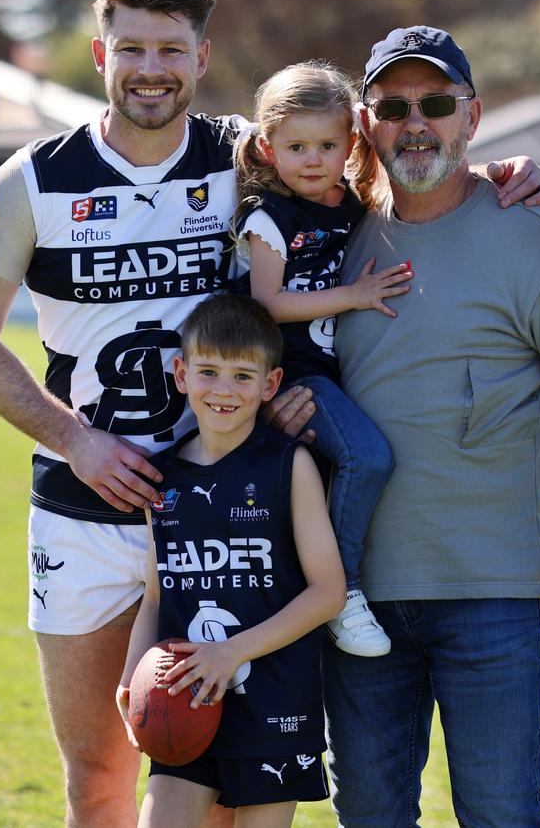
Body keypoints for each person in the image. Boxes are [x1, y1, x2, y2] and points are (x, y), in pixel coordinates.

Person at [0, 0, 540, 818]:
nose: (150, 66)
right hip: (88, 509)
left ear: (202, 56)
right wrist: (75, 440)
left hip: (233, 506)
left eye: (170, 47)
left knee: (231, 780)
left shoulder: (250, 155)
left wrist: (497, 172)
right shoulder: (32, 179)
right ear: (99, 53)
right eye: (131, 47)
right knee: (100, 772)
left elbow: (371, 170)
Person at [311, 25, 540, 828]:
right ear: (365, 122)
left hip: (490, 598)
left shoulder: (533, 234)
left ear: (472, 115)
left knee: (502, 816)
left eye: (435, 102)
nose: (415, 122)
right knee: (367, 814)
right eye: (392, 106)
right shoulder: (334, 238)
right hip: (355, 598)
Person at [116, 292, 346, 828]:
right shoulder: (162, 477)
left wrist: (231, 652)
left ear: (270, 384)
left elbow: (327, 591)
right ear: (181, 373)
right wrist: (132, 677)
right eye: (209, 372)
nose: (224, 390)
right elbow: (156, 595)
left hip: (274, 704)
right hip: (186, 696)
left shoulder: (290, 465)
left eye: (243, 376)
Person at [232, 60, 414, 657]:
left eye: (328, 144)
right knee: (368, 458)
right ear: (268, 148)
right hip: (296, 376)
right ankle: (340, 593)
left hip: (343, 373)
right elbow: (266, 303)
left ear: (352, 143)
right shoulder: (270, 219)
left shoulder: (357, 206)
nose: (313, 159)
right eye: (297, 146)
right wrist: (354, 296)